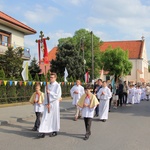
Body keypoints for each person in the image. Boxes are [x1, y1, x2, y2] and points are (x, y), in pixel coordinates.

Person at [38, 72, 62, 138]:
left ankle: (54, 130)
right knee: (45, 117)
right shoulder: (47, 85)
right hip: (48, 104)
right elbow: (46, 95)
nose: (50, 78)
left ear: (55, 78)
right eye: (50, 77)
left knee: (54, 118)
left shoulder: (57, 85)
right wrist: (46, 103)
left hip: (54, 103)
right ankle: (42, 131)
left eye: (52, 77)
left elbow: (57, 95)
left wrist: (50, 92)